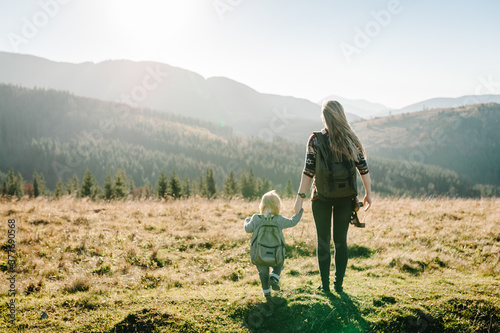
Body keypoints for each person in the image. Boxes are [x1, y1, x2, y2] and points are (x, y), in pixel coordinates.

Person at [293, 100, 372, 294]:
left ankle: (325, 286)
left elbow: (308, 171)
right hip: (346, 198)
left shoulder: (315, 139)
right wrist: (369, 194)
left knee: (323, 241)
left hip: (321, 198)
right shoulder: (350, 139)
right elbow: (363, 168)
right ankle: (339, 285)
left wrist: (299, 197)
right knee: (340, 241)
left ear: (325, 117)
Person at [245, 190, 303, 297]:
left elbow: (247, 229)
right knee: (279, 263)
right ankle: (274, 277)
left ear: (262, 205)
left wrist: (247, 220)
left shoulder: (256, 218)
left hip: (259, 253)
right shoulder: (278, 219)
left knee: (263, 272)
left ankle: (267, 294)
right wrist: (299, 212)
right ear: (278, 206)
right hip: (276, 253)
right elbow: (292, 222)